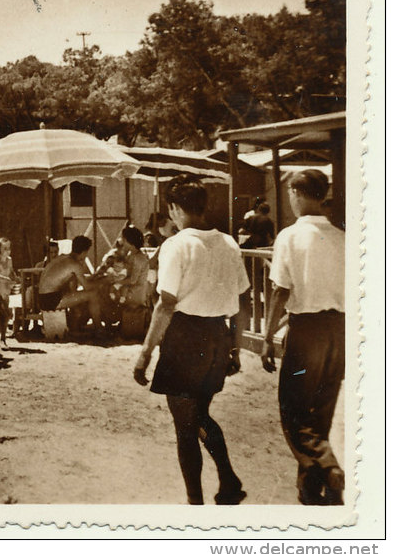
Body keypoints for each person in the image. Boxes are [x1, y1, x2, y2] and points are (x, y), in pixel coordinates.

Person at [133, 175, 249, 505]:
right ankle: (228, 479)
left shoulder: (176, 245)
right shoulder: (228, 243)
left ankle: (194, 504)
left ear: (175, 208)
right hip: (217, 336)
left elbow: (166, 303)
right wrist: (235, 347)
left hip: (185, 337)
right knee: (199, 416)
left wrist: (145, 353)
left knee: (185, 428)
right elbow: (244, 301)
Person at [261, 170, 345, 505]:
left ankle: (327, 466)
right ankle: (310, 487)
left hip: (307, 334)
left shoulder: (290, 237)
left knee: (293, 409)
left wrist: (267, 337)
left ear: (297, 193)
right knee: (320, 413)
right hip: (338, 331)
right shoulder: (342, 237)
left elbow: (280, 290)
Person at [37, 235, 103, 332]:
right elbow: (87, 286)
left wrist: (95, 276)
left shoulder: (62, 257)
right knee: (93, 294)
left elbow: (78, 280)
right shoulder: (75, 264)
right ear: (84, 252)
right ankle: (99, 329)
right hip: (50, 300)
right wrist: (105, 281)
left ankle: (75, 327)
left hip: (43, 298)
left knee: (75, 288)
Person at [93, 225, 150, 326]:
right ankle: (109, 321)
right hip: (128, 288)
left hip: (135, 292)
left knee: (103, 292)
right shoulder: (131, 255)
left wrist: (114, 281)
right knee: (103, 289)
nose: (122, 241)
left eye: (123, 238)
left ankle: (109, 321)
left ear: (129, 241)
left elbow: (133, 281)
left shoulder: (138, 258)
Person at [0, 237, 15, 347]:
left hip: (5, 290)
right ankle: (3, 340)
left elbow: (11, 271)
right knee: (5, 313)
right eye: (5, 248)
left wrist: (15, 277)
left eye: (9, 248)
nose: (8, 250)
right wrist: (6, 279)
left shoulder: (9, 260)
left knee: (2, 315)